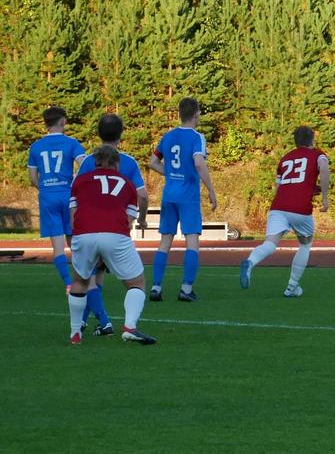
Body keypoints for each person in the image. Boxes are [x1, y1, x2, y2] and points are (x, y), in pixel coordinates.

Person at [67, 145, 155, 345]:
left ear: (95, 162)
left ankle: (75, 333)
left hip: (84, 233)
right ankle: (130, 327)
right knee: (136, 283)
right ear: (117, 164)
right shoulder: (127, 184)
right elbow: (128, 219)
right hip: (115, 233)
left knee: (80, 281)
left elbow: (73, 215)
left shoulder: (80, 181)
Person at [239, 126, 330, 297]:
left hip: (278, 206)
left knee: (270, 244)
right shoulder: (317, 154)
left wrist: (307, 189)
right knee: (305, 244)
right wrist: (325, 197)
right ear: (312, 140)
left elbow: (279, 187)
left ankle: (250, 261)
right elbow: (324, 169)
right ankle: (292, 287)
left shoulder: (285, 158)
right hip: (300, 208)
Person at [148, 97, 218, 302]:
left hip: (169, 195)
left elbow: (153, 162)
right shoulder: (197, 137)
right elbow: (199, 163)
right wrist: (211, 190)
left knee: (165, 242)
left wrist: (170, 174)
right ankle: (186, 289)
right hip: (188, 196)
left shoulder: (168, 136)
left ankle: (156, 287)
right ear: (196, 114)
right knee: (192, 241)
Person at [27, 106, 86, 289]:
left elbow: (33, 178)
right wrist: (75, 183)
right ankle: (82, 279)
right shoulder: (72, 143)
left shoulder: (36, 146)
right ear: (63, 121)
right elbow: (84, 165)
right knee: (74, 242)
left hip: (48, 197)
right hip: (68, 195)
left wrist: (46, 188)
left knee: (58, 246)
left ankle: (68, 284)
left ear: (46, 124)